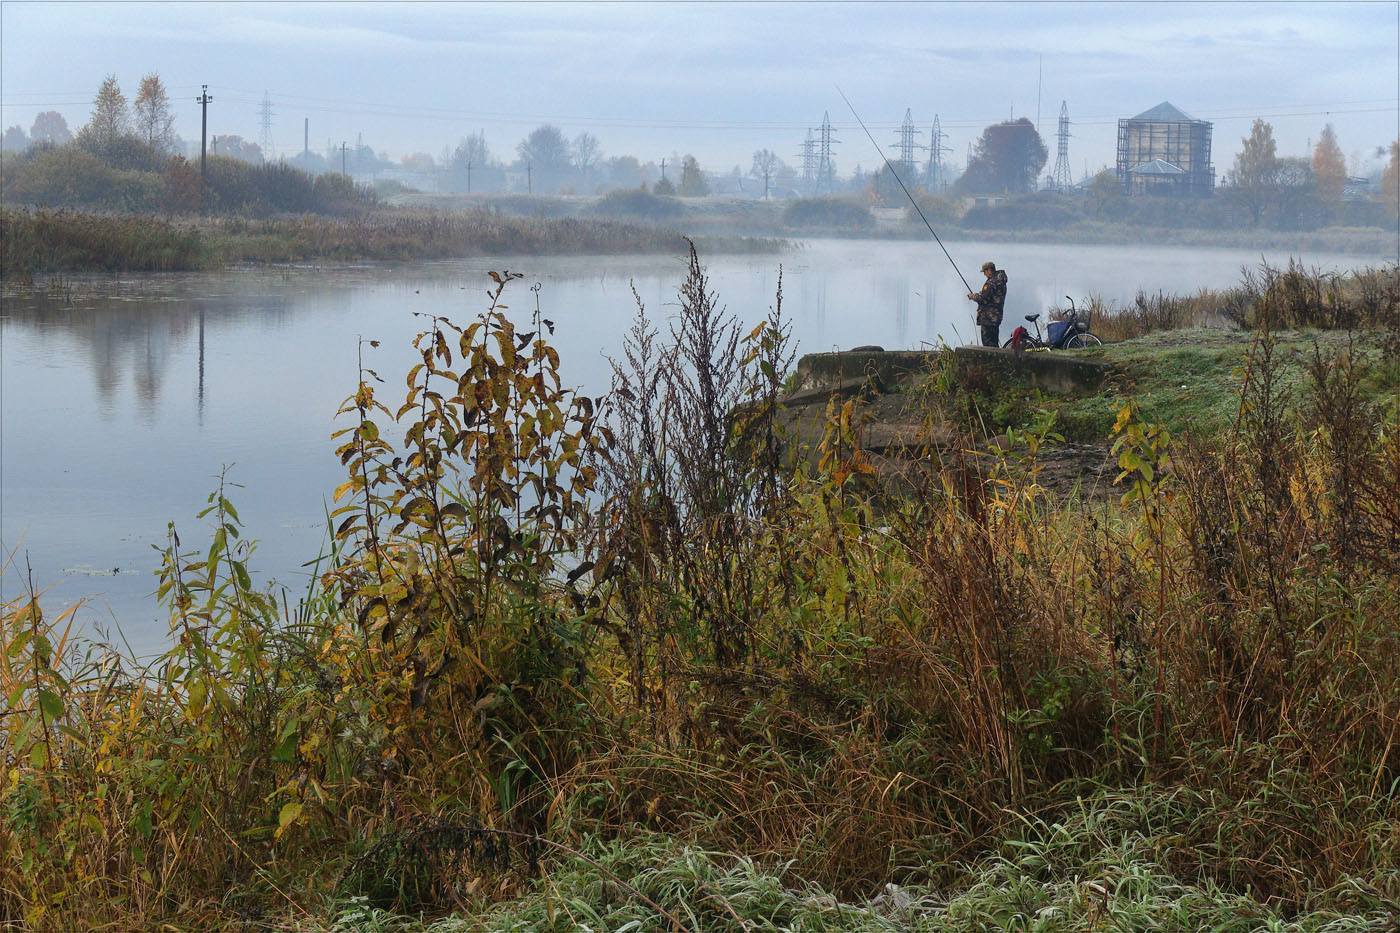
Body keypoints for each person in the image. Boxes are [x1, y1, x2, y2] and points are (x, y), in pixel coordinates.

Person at [967, 261, 1008, 348]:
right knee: (994, 344)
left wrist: (973, 296)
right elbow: (991, 297)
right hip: (996, 317)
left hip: (988, 318)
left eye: (985, 271)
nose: (984, 274)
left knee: (988, 345)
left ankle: (990, 361)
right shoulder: (1001, 281)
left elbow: (983, 299)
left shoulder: (991, 283)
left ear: (989, 270)